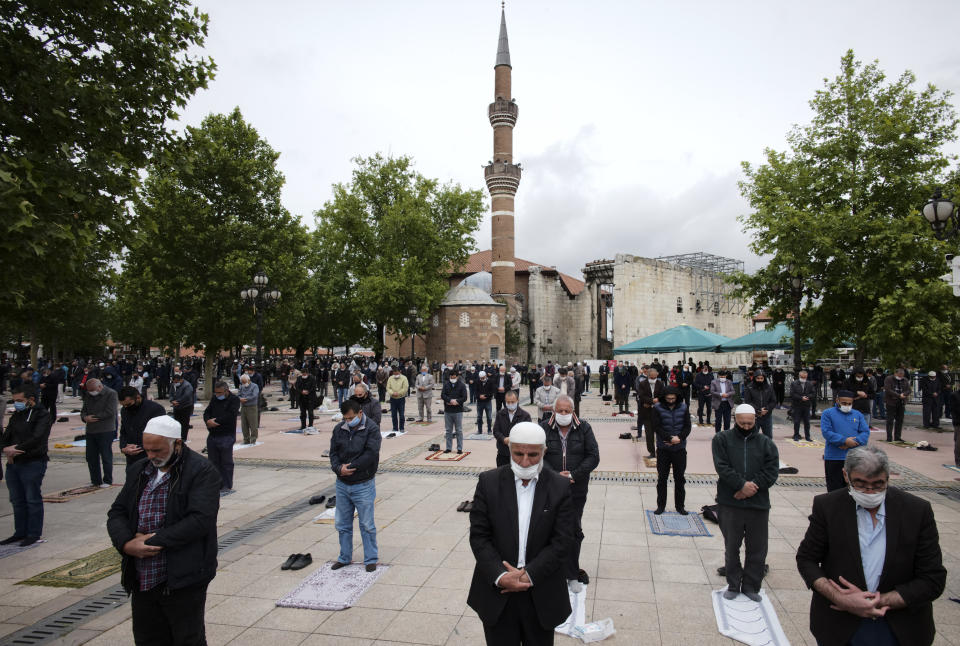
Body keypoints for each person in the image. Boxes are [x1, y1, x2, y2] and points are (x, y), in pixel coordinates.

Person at [796, 445, 947, 646]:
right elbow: (807, 559)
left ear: (888, 478)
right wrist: (840, 598)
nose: (869, 492)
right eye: (860, 484)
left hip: (900, 627)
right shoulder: (828, 506)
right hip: (840, 627)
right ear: (845, 475)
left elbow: (933, 579)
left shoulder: (917, 511)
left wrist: (878, 601)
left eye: (878, 485)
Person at [106, 415, 221, 645]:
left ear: (177, 444)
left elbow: (200, 520)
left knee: (187, 637)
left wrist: (151, 542)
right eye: (147, 449)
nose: (151, 456)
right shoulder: (139, 469)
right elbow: (117, 512)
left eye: (157, 450)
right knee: (148, 636)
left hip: (183, 574)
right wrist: (127, 544)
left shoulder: (201, 471)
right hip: (141, 574)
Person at [466, 421, 575, 646]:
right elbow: (479, 536)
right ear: (509, 450)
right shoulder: (488, 482)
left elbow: (563, 540)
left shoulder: (559, 487)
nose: (525, 462)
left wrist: (529, 575)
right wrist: (501, 575)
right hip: (498, 594)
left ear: (544, 451)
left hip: (541, 593)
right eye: (518, 454)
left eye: (533, 455)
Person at [712, 403, 779, 602]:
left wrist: (750, 488)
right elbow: (722, 467)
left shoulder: (766, 443)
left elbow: (771, 471)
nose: (747, 426)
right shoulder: (722, 439)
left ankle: (751, 585)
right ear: (736, 421)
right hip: (730, 502)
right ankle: (733, 584)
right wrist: (740, 485)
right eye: (742, 423)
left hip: (758, 504)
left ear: (755, 421)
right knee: (731, 547)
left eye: (750, 423)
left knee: (757, 548)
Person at [542, 395, 599, 587]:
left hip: (576, 488)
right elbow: (538, 456)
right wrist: (556, 476)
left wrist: (573, 475)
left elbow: (593, 456)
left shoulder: (584, 427)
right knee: (548, 528)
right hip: (550, 487)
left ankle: (572, 574)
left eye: (567, 411)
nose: (564, 414)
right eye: (560, 411)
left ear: (573, 411)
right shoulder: (543, 427)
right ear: (554, 411)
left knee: (574, 529)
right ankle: (550, 570)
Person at [329, 399, 381, 571]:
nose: (348, 421)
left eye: (351, 418)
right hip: (342, 484)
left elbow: (371, 454)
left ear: (360, 413)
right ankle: (344, 557)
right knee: (342, 524)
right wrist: (338, 468)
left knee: (366, 524)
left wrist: (350, 467)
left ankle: (371, 558)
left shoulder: (371, 429)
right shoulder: (339, 429)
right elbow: (333, 453)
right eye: (346, 418)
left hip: (363, 483)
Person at [0, 384, 52, 546]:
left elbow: (37, 438)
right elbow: (7, 435)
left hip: (33, 461)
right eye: (15, 401)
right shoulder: (17, 415)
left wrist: (16, 449)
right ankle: (20, 531)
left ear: (31, 399)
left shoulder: (42, 415)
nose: (17, 404)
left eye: (20, 400)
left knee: (32, 498)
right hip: (14, 463)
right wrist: (6, 449)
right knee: (17, 499)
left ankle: (33, 533)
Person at [649, 386, 691, 514]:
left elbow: (687, 426)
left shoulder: (683, 407)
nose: (671, 400)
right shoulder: (657, 408)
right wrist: (668, 438)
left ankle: (680, 506)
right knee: (662, 478)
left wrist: (680, 438)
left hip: (679, 448)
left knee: (680, 479)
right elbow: (656, 426)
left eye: (673, 398)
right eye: (668, 398)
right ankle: (661, 506)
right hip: (663, 448)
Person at [820, 390, 870, 492]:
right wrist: (844, 440)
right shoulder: (827, 413)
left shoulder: (858, 415)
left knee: (854, 489)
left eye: (849, 404)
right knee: (834, 489)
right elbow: (827, 432)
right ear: (837, 400)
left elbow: (865, 433)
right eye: (844, 403)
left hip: (854, 457)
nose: (847, 406)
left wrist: (852, 443)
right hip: (834, 457)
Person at [203, 382, 240, 493]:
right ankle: (215, 483)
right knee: (213, 461)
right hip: (213, 434)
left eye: (220, 393)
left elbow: (231, 415)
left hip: (226, 434)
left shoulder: (234, 400)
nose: (218, 395)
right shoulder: (214, 399)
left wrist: (216, 421)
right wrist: (208, 421)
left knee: (226, 461)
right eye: (216, 393)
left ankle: (227, 485)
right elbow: (207, 412)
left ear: (226, 391)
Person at [81, 378, 119, 488]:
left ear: (99, 387)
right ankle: (95, 480)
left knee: (106, 455)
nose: (91, 392)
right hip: (91, 430)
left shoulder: (111, 393)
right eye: (89, 390)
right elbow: (83, 410)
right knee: (91, 456)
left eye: (93, 390)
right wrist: (84, 418)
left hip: (106, 429)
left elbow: (111, 412)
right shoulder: (88, 395)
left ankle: (107, 479)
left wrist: (94, 417)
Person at [119, 386, 165, 467]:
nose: (126, 407)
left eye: (129, 404)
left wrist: (140, 447)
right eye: (124, 405)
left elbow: (160, 435)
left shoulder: (155, 409)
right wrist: (123, 447)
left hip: (150, 457)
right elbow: (123, 431)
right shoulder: (124, 411)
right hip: (131, 457)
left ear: (138, 398)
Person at [492, 390, 532, 467]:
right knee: (502, 476)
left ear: (517, 400)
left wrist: (515, 439)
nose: (510, 404)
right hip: (503, 453)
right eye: (508, 402)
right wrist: (503, 439)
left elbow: (528, 433)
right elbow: (496, 431)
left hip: (519, 453)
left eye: (512, 402)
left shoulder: (525, 415)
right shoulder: (500, 414)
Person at [743, 370, 777, 439]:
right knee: (752, 436)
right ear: (755, 378)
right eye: (758, 378)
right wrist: (758, 410)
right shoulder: (749, 387)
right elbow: (748, 401)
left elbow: (773, 401)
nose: (760, 380)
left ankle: (768, 449)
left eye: (761, 378)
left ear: (764, 378)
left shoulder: (769, 387)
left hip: (767, 416)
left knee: (768, 437)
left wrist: (767, 409)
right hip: (754, 416)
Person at [441, 369, 468, 454]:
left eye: (454, 376)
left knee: (459, 430)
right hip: (448, 410)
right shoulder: (446, 384)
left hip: (458, 411)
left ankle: (459, 448)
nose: (452, 378)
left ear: (457, 376)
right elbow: (443, 395)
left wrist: (457, 401)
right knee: (448, 430)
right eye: (451, 376)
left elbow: (464, 397)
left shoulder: (461, 385)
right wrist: (449, 400)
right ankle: (448, 447)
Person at [883, 368, 911, 442]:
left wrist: (904, 394)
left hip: (901, 402)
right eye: (899, 375)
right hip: (891, 402)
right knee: (890, 420)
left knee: (900, 420)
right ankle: (889, 437)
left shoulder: (905, 380)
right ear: (895, 373)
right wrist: (898, 395)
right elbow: (888, 389)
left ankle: (897, 437)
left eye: (902, 375)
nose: (901, 377)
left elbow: (909, 390)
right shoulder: (888, 379)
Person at [790, 369, 816, 441]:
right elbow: (792, 394)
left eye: (805, 377)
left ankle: (807, 436)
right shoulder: (794, 383)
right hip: (797, 405)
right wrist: (801, 398)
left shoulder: (810, 384)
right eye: (802, 377)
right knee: (797, 421)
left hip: (806, 405)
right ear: (799, 376)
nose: (803, 379)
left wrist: (808, 397)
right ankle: (796, 435)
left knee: (807, 422)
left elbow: (813, 393)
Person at [168, 373, 194, 441]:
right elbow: (171, 393)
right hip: (176, 407)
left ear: (181, 380)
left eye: (177, 382)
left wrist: (177, 401)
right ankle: (177, 437)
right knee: (176, 423)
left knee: (184, 423)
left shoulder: (187, 385)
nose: (175, 383)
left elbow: (186, 396)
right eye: (174, 382)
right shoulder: (173, 385)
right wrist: (172, 400)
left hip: (186, 406)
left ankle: (183, 438)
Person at [237, 373, 260, 444]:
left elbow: (255, 395)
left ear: (248, 380)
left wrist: (246, 399)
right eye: (242, 382)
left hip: (252, 407)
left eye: (244, 382)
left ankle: (253, 439)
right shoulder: (241, 386)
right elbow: (238, 395)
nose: (244, 383)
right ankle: (246, 439)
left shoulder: (254, 386)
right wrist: (240, 399)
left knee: (253, 424)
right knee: (244, 425)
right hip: (243, 407)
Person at [386, 366, 408, 434]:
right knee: (393, 414)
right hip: (393, 399)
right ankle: (395, 427)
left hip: (401, 398)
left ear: (399, 372)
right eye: (394, 373)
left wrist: (398, 393)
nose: (395, 375)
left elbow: (405, 388)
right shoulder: (390, 378)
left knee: (401, 414)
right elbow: (388, 387)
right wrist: (392, 393)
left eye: (397, 373)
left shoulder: (404, 378)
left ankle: (401, 427)